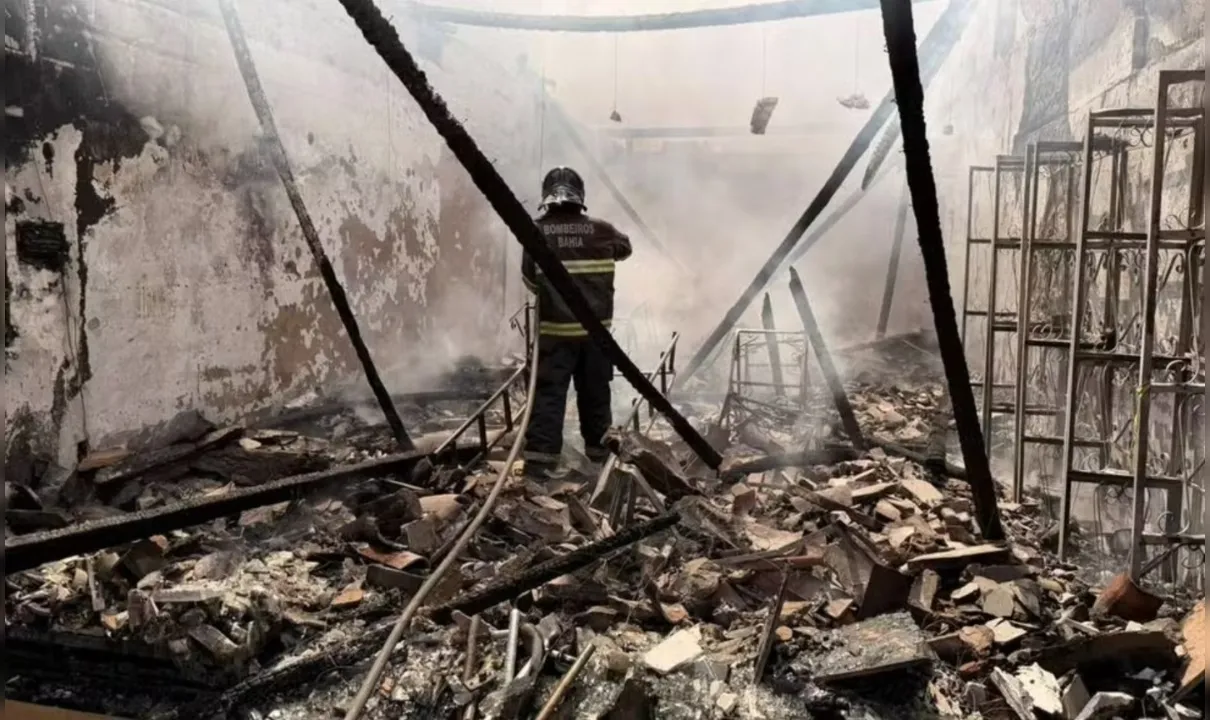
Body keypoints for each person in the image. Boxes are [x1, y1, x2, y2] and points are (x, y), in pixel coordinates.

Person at [521, 166, 632, 478]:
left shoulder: (535, 231)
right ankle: (600, 459)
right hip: (596, 336)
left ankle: (540, 464)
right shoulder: (604, 230)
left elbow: (530, 282)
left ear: (547, 198)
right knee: (596, 393)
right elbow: (626, 250)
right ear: (580, 197)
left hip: (554, 334)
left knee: (549, 395)